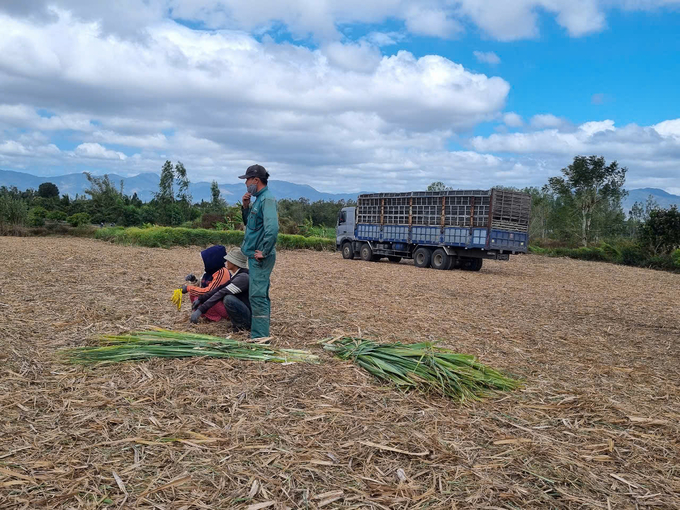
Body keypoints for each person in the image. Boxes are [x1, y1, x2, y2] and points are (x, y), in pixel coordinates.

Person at [239, 164, 278, 339]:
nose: (246, 183)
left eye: (247, 179)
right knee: (259, 294)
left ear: (256, 180)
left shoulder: (267, 200)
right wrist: (246, 207)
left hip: (260, 257)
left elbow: (273, 228)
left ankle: (260, 337)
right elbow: (252, 226)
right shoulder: (258, 200)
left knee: (257, 295)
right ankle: (260, 332)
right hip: (255, 256)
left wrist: (265, 251)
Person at [190, 247, 251, 332]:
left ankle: (242, 326)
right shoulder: (238, 275)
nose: (226, 262)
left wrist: (201, 310)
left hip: (247, 315)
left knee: (228, 298)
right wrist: (201, 299)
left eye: (228, 260)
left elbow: (222, 292)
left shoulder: (242, 278)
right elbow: (219, 288)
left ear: (234, 262)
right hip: (244, 310)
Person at [181, 245, 231, 322]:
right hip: (212, 301)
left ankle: (216, 317)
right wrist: (194, 280)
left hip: (220, 304)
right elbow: (203, 285)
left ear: (213, 259)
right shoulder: (210, 271)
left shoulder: (222, 272)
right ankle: (204, 314)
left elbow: (209, 291)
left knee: (199, 296)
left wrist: (188, 288)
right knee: (194, 294)